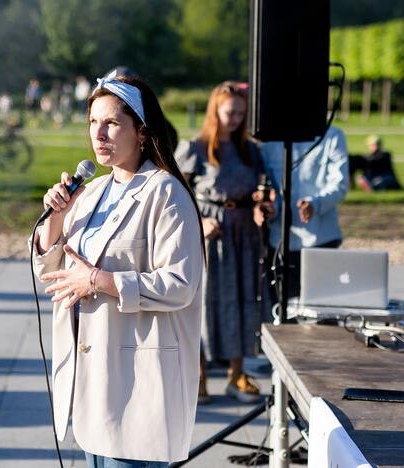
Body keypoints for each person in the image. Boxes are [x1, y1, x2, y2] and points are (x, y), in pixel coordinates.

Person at [31, 73, 204, 466]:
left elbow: (180, 285)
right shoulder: (90, 192)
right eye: (93, 122)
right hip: (92, 382)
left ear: (142, 132)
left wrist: (97, 280)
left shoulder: (167, 193)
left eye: (111, 122)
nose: (99, 133)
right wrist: (57, 217)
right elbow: (50, 268)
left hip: (137, 381)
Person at [175, 81, 267, 405]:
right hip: (210, 237)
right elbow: (173, 198)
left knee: (243, 301)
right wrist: (198, 222)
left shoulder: (251, 150)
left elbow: (260, 190)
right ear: (216, 111)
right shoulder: (195, 148)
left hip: (243, 236)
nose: (236, 119)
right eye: (230, 112)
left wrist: (260, 206)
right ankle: (197, 374)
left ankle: (237, 374)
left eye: (241, 113)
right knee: (206, 303)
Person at [259, 126, 350, 300]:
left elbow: (340, 183)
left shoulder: (332, 135)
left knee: (323, 310)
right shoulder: (270, 139)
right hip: (280, 241)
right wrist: (271, 208)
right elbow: (267, 184)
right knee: (284, 311)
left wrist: (315, 204)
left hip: (320, 239)